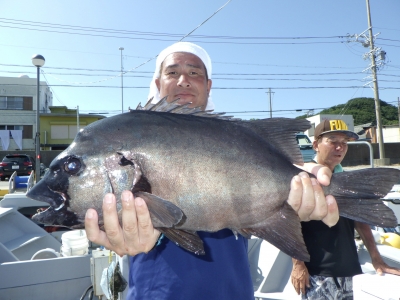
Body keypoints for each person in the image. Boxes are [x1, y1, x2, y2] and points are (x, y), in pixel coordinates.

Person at [85, 42, 339, 299]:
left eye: (194, 73)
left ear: (208, 86)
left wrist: (309, 179)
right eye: (172, 73)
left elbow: (285, 171)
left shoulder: (240, 141)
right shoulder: (127, 145)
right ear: (157, 83)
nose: (183, 80)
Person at [291, 119, 400, 300]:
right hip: (317, 272)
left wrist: (376, 258)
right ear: (316, 144)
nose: (339, 147)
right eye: (333, 141)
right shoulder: (303, 179)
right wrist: (298, 265)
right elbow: (290, 223)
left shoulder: (349, 180)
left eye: (344, 143)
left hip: (351, 270)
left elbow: (361, 220)